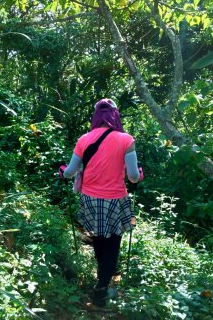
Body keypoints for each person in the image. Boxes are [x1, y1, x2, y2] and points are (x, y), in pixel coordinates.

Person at [59, 98, 143, 308]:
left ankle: (101, 277)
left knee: (98, 237)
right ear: (115, 115)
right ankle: (102, 286)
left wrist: (62, 171)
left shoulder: (84, 139)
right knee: (113, 242)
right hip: (116, 199)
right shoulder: (126, 139)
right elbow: (133, 177)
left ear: (96, 116)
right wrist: (139, 175)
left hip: (90, 198)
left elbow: (69, 172)